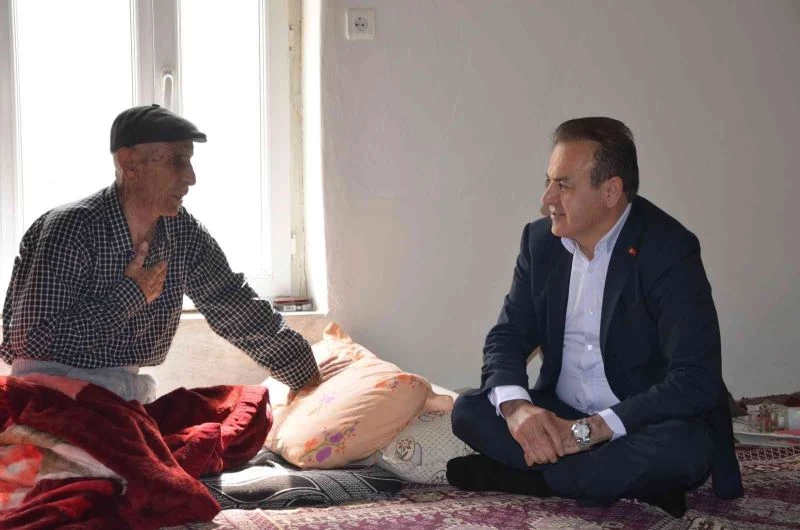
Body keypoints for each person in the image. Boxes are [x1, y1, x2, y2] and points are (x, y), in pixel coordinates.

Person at [447, 117, 743, 517]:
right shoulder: (540, 243)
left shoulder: (668, 249)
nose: (547, 198)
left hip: (636, 422)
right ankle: (612, 480)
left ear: (610, 191)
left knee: (685, 450)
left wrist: (594, 430)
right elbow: (507, 337)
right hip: (562, 412)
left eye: (563, 185)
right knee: (469, 409)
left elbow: (696, 378)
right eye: (549, 181)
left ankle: (528, 478)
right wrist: (520, 410)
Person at [1, 104, 347, 402]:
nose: (191, 177)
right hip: (47, 397)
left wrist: (306, 372)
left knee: (234, 417)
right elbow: (32, 341)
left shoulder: (181, 232)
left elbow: (233, 304)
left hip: (119, 395)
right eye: (177, 160)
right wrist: (131, 295)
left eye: (190, 161)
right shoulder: (70, 228)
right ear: (129, 163)